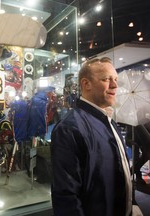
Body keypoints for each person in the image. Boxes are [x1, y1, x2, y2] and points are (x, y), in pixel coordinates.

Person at [50, 57, 143, 216]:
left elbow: (120, 173)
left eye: (115, 79)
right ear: (86, 84)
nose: (115, 85)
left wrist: (131, 205)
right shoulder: (69, 128)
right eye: (106, 79)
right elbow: (66, 197)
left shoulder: (109, 121)